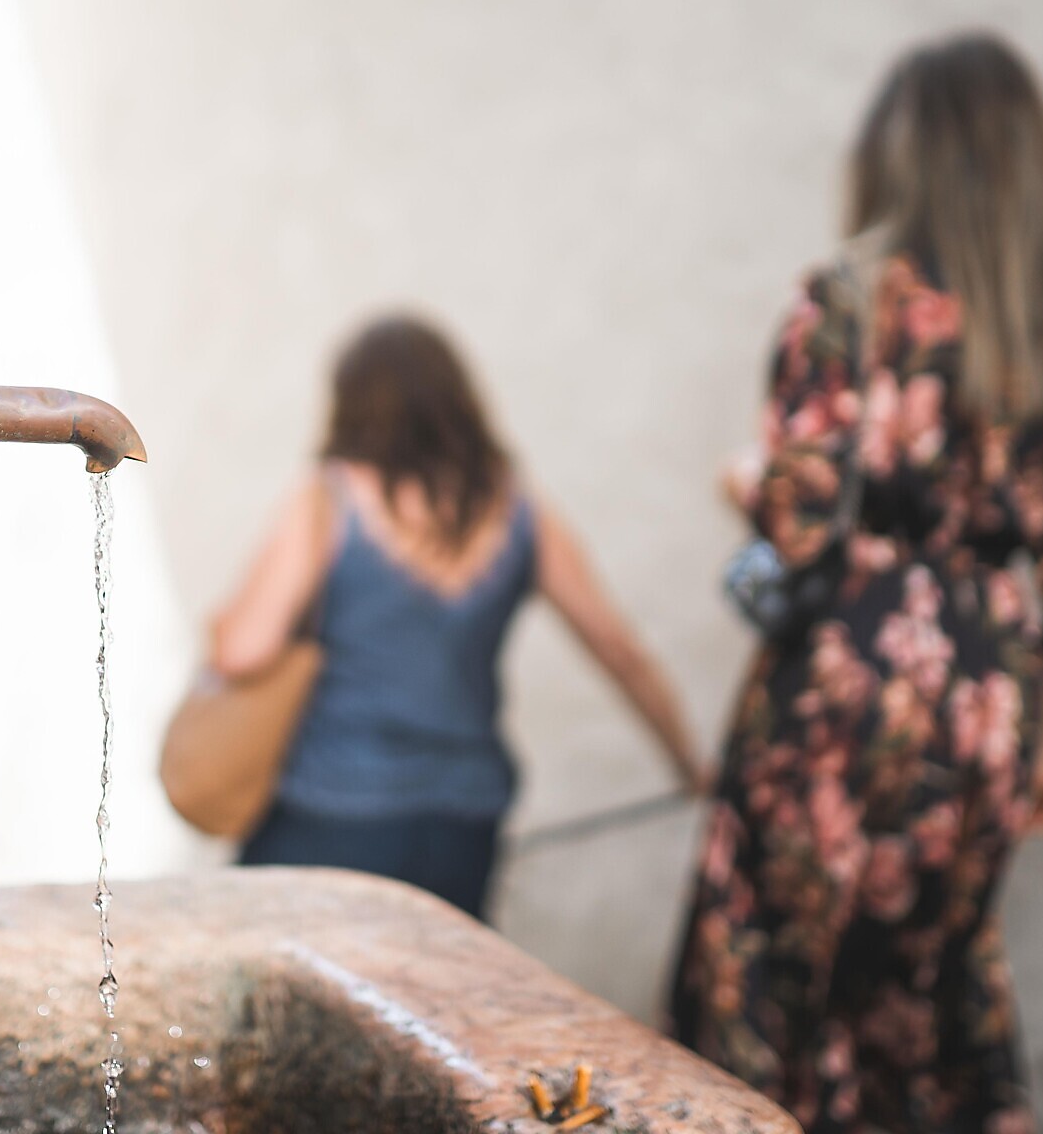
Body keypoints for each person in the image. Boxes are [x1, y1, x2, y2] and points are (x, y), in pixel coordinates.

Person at [668, 33, 1043, 1134]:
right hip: (985, 715)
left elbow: (801, 528)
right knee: (921, 1011)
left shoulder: (850, 302)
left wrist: (742, 485)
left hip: (847, 694)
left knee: (762, 995)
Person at [210, 315, 706, 920]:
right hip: (462, 821)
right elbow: (616, 645)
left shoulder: (328, 497)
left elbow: (242, 650)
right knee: (431, 1005)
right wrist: (688, 763)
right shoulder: (515, 508)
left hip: (331, 809)